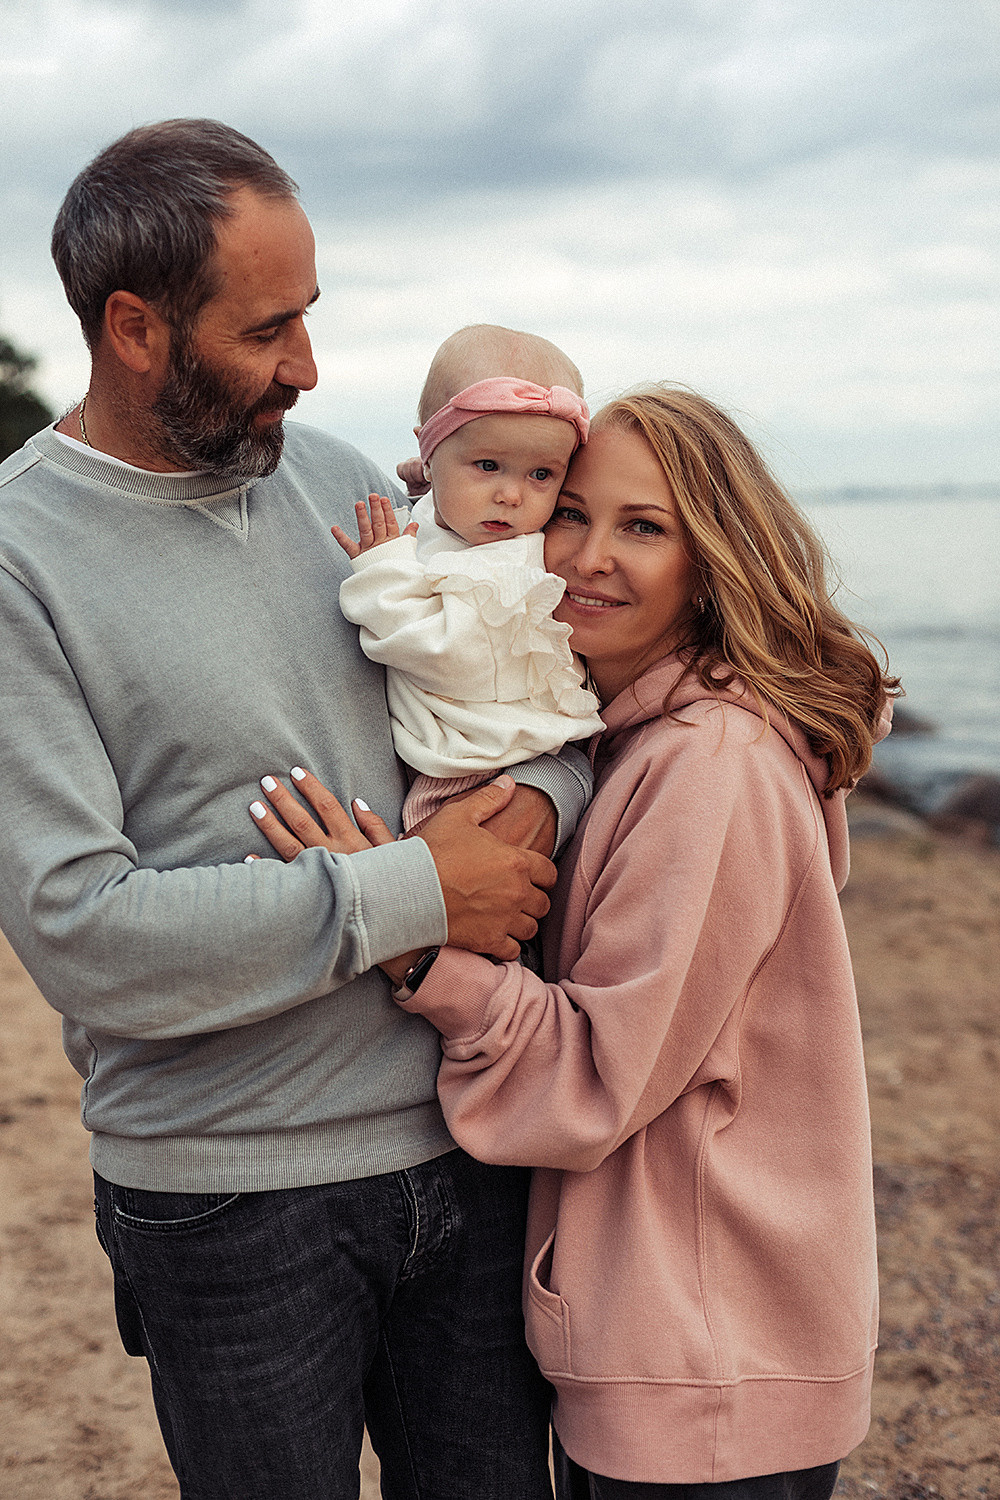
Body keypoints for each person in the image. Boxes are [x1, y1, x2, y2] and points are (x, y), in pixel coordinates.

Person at [0, 118, 596, 1499]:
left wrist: (537, 808)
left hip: (471, 1142)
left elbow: (537, 707)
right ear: (135, 329)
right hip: (224, 1203)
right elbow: (82, 932)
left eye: (311, 319)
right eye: (270, 332)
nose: (309, 370)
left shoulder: (345, 487)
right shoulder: (20, 558)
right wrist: (417, 891)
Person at [256, 386, 897, 1499]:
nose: (589, 558)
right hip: (677, 1337)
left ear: (715, 559)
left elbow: (593, 1077)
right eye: (570, 513)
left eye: (643, 527)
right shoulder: (628, 734)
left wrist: (408, 930)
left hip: (703, 1362)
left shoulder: (710, 766)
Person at [329, 323, 603, 831]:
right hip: (459, 752)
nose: (512, 496)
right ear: (430, 456)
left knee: (445, 876)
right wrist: (430, 488)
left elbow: (441, 651)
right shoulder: (460, 522)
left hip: (478, 768)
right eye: (487, 465)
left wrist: (381, 570)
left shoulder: (512, 568)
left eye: (541, 474)